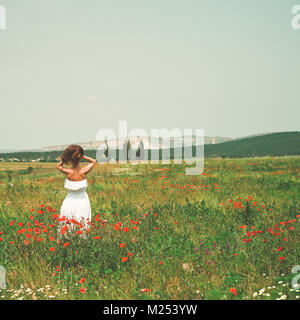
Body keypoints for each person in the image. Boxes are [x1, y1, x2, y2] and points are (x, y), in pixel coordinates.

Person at [56, 145, 96, 234]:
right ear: (80, 158)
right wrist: (83, 156)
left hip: (70, 198)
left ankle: (67, 235)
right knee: (82, 217)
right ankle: (82, 236)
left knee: (68, 217)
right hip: (82, 198)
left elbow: (58, 166)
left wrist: (65, 158)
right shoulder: (84, 171)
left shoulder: (68, 172)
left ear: (70, 158)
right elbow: (93, 161)